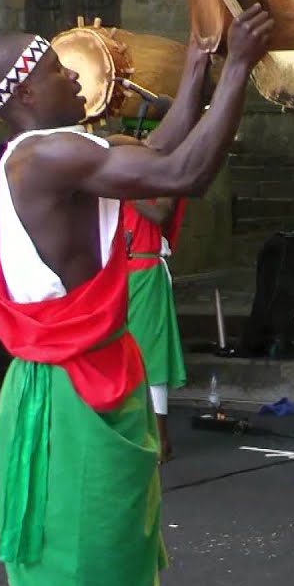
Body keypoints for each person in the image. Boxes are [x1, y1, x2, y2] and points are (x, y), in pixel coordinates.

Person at [0, 4, 272, 586]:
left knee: (105, 548)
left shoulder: (63, 153)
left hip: (86, 372)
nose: (77, 77)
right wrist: (240, 67)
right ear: (25, 90)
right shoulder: (43, 159)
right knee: (85, 558)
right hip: (68, 387)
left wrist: (199, 66)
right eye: (59, 69)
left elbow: (159, 147)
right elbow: (182, 172)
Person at [123, 196, 188, 464]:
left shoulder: (159, 169)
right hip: (113, 269)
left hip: (145, 268)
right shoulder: (110, 165)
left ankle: (161, 438)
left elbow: (162, 212)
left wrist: (124, 188)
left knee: (150, 354)